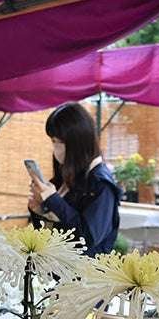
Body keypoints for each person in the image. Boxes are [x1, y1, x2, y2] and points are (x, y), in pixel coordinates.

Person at [28, 102, 120, 256]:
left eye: (59, 142)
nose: (55, 149)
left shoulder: (101, 185)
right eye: (53, 142)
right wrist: (38, 209)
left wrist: (53, 200)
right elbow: (46, 236)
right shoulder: (64, 179)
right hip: (57, 273)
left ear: (77, 142)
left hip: (87, 277)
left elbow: (86, 239)